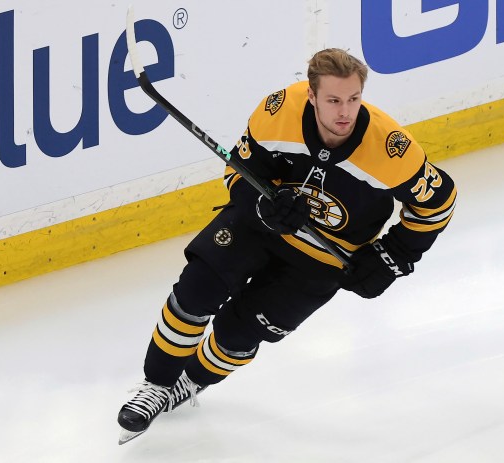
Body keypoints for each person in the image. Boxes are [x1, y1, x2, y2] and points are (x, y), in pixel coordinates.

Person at [117, 48, 457, 444]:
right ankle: (156, 385)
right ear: (311, 96)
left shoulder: (390, 149)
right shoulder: (278, 111)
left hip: (323, 259)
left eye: (353, 99)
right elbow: (239, 170)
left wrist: (392, 256)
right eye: (332, 100)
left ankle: (189, 383)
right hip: (259, 226)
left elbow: (438, 203)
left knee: (239, 333)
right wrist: (261, 202)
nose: (344, 112)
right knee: (195, 294)